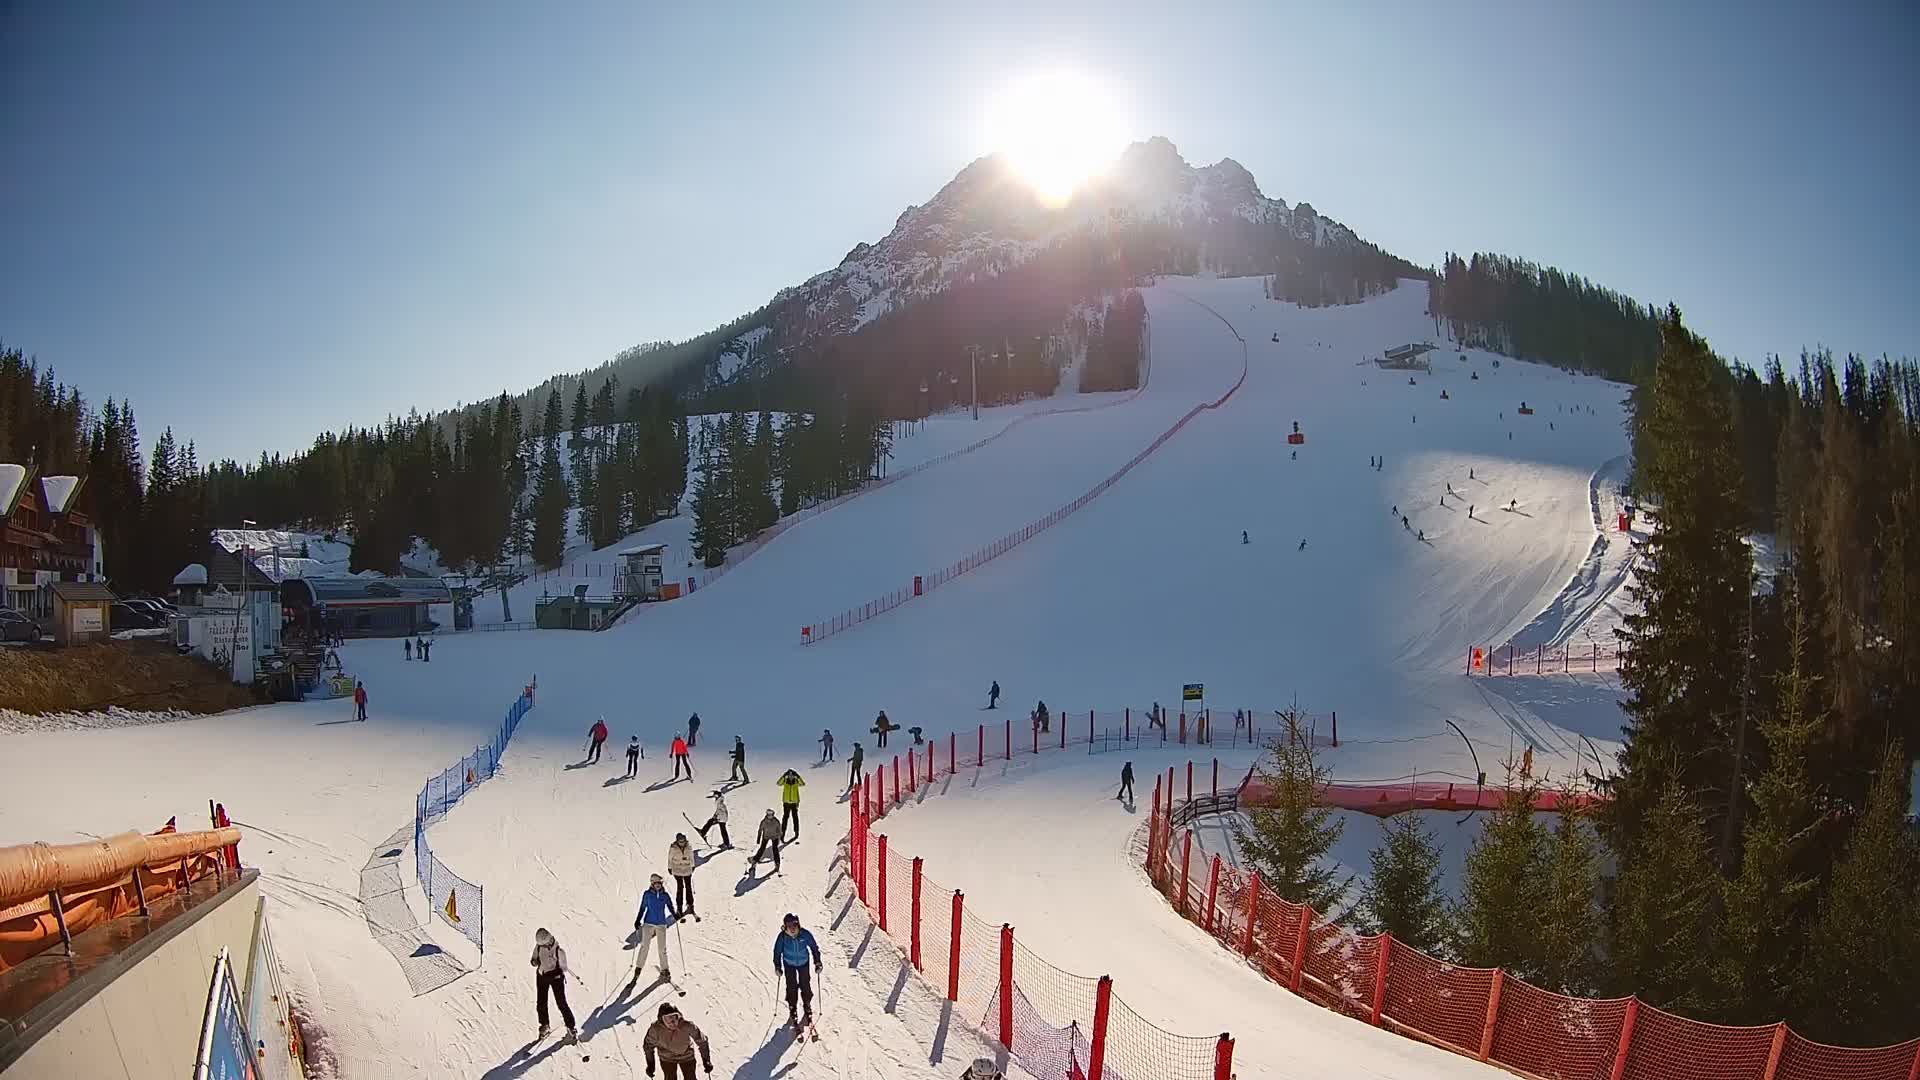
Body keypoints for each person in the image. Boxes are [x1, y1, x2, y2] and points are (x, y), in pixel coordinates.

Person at [772, 913, 823, 1029]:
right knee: (791, 986)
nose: (792, 928)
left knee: (805, 985)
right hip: (789, 964)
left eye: (794, 925)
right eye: (789, 926)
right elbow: (777, 952)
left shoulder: (804, 934)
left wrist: (817, 962)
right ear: (785, 926)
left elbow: (814, 948)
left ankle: (807, 1005)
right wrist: (778, 966)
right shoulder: (782, 937)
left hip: (803, 962)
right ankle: (792, 1007)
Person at [530, 928, 577, 1042]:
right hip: (542, 977)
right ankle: (544, 1025)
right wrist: (534, 962)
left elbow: (564, 968)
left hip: (556, 979)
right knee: (541, 1002)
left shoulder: (558, 951)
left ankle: (571, 1026)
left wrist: (557, 970)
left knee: (561, 1002)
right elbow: (533, 959)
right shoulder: (539, 947)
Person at [642, 1002, 712, 1079]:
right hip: (667, 1058)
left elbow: (702, 1041)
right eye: (668, 1019)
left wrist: (706, 1060)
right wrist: (650, 1064)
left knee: (690, 1077)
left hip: (686, 1056)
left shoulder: (686, 1026)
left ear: (678, 1016)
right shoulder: (656, 1030)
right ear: (661, 1019)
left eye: (674, 1018)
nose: (672, 1023)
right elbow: (648, 1046)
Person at [633, 874, 678, 979]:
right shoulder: (647, 894)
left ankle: (665, 969)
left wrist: (675, 914)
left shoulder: (665, 895)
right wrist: (638, 920)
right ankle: (638, 967)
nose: (658, 885)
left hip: (661, 923)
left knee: (662, 948)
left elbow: (670, 906)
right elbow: (643, 907)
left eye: (660, 883)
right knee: (645, 946)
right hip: (648, 923)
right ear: (652, 883)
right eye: (656, 883)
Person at [667, 834, 696, 917]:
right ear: (677, 841)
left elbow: (691, 856)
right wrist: (670, 867)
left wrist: (693, 865)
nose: (682, 843)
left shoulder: (689, 847)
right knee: (680, 887)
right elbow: (670, 858)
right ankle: (679, 907)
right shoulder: (673, 848)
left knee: (688, 886)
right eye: (680, 841)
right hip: (677, 870)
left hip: (687, 869)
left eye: (683, 841)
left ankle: (690, 904)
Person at [777, 769, 805, 841]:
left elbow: (802, 784)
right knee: (785, 819)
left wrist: (798, 776)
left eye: (792, 775)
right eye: (789, 775)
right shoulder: (785, 781)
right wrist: (783, 776)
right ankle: (782, 834)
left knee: (795, 818)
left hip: (794, 803)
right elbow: (778, 783)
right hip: (786, 803)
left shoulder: (796, 781)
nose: (790, 776)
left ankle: (796, 832)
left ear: (794, 775)